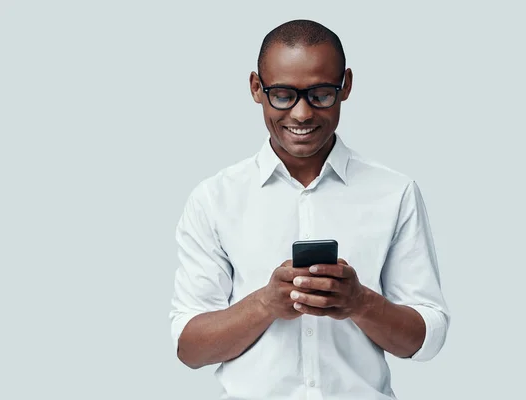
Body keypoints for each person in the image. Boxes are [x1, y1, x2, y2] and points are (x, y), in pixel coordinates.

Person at [169, 19, 450, 400]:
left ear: (345, 85)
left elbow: (426, 341)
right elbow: (190, 348)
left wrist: (360, 302)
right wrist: (264, 304)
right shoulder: (214, 199)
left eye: (320, 94)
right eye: (283, 95)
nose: (301, 114)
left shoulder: (395, 193)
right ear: (256, 88)